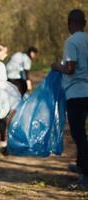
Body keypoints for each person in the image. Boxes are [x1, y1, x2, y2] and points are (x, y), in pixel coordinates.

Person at [51, 9, 88, 188]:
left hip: (77, 93)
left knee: (79, 135)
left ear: (70, 24)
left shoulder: (71, 41)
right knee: (82, 134)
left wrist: (58, 67)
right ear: (84, 23)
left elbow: (71, 68)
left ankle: (86, 177)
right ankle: (81, 166)